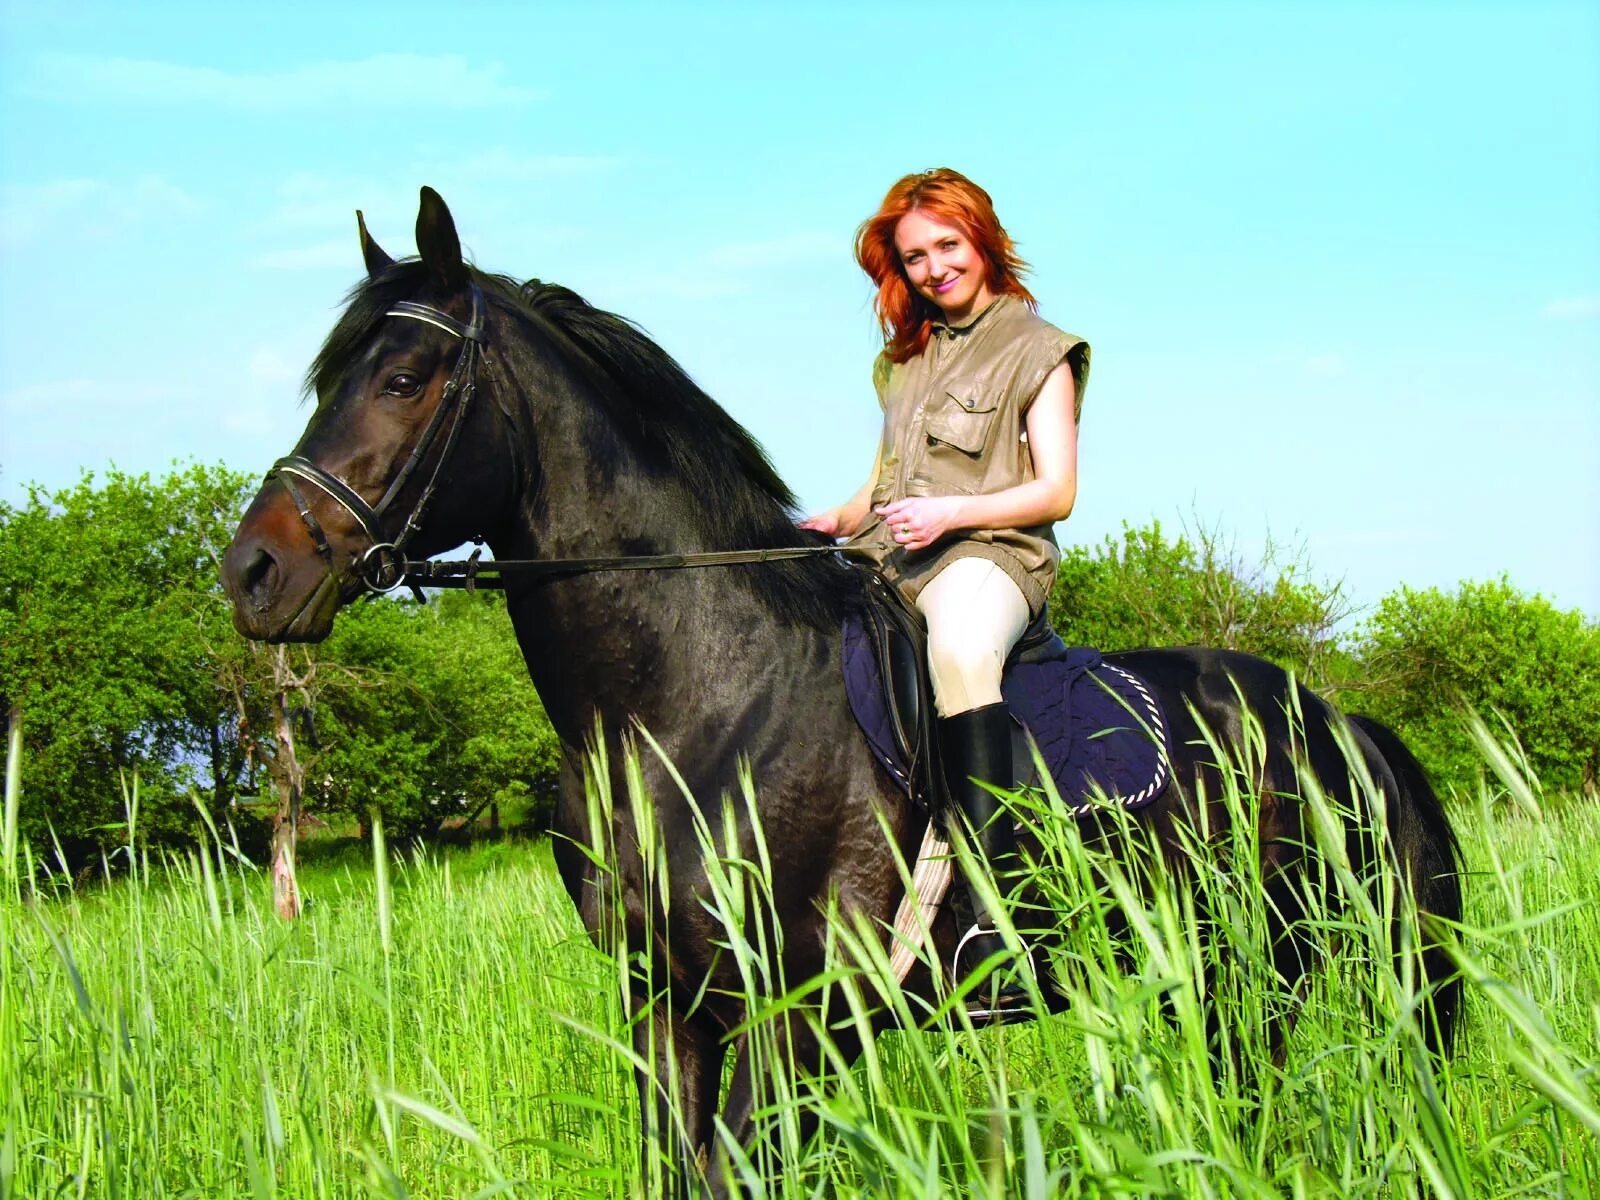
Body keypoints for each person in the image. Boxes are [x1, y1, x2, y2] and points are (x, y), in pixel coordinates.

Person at [801, 168, 1089, 1007]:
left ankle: (994, 920)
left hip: (992, 556)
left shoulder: (1042, 352)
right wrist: (831, 520)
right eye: (915, 257)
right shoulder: (903, 362)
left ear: (982, 239)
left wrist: (956, 513)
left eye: (947, 247)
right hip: (894, 553)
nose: (933, 269)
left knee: (961, 649)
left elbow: (1058, 491)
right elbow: (884, 483)